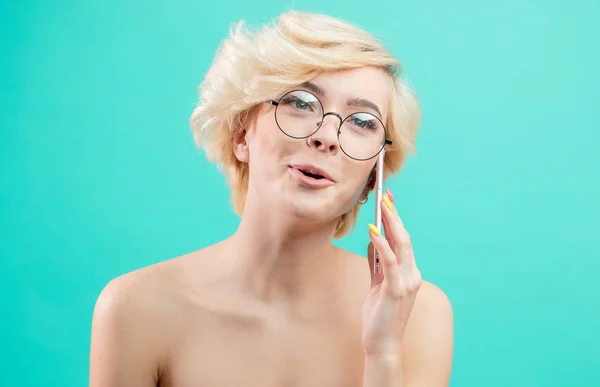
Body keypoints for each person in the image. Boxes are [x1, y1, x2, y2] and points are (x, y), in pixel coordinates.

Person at [89, 11, 454, 387]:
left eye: (362, 122)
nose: (327, 135)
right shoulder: (136, 308)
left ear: (371, 178)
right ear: (242, 135)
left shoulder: (419, 314)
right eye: (300, 102)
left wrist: (384, 354)